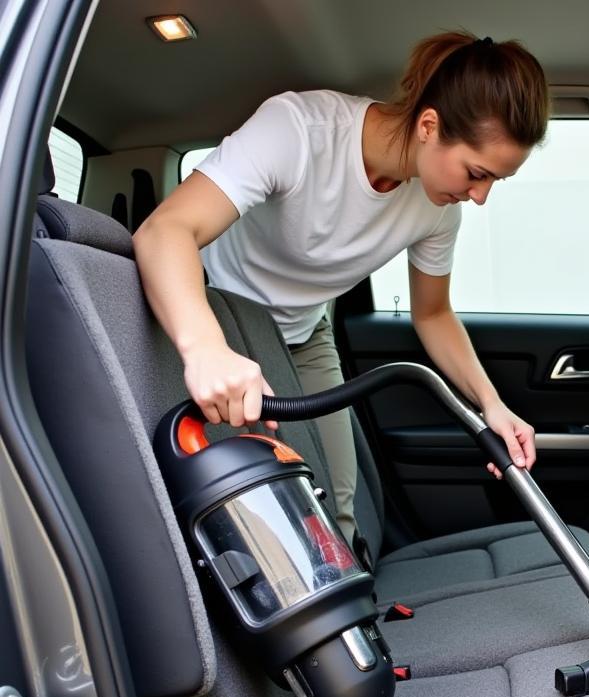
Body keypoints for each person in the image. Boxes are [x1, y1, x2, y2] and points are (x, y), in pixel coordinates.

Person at [133, 31, 548, 543]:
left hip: (305, 337)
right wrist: (205, 349)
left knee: (335, 502)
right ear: (428, 125)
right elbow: (164, 230)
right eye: (476, 173)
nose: (479, 196)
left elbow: (434, 314)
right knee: (247, 512)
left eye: (493, 183)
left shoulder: (437, 210)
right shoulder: (300, 130)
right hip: (216, 326)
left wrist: (492, 405)